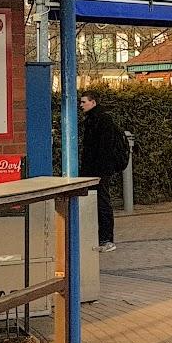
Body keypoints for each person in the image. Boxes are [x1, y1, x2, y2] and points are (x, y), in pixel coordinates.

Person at [79, 90, 126, 253]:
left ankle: (106, 239)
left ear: (93, 102)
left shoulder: (101, 120)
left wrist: (98, 170)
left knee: (102, 201)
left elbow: (104, 147)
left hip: (99, 170)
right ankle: (102, 237)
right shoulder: (94, 119)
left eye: (84, 102)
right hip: (96, 169)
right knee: (98, 201)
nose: (81, 105)